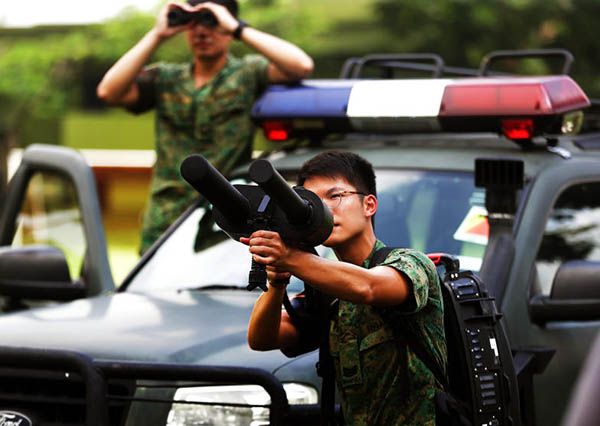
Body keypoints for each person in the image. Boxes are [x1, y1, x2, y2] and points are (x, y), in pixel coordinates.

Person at [245, 151, 447, 425]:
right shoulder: (323, 291)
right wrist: (277, 282)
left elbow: (369, 287)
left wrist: (291, 257)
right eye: (313, 201)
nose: (324, 209)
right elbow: (262, 338)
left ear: (369, 205)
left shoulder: (412, 264)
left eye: (335, 196)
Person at [97, 0, 313, 254]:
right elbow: (109, 92)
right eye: (193, 25)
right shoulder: (167, 78)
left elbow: (301, 66)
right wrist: (157, 35)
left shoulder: (247, 73)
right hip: (166, 214)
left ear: (227, 28)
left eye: (211, 23)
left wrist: (237, 28)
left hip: (223, 216)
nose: (201, 32)